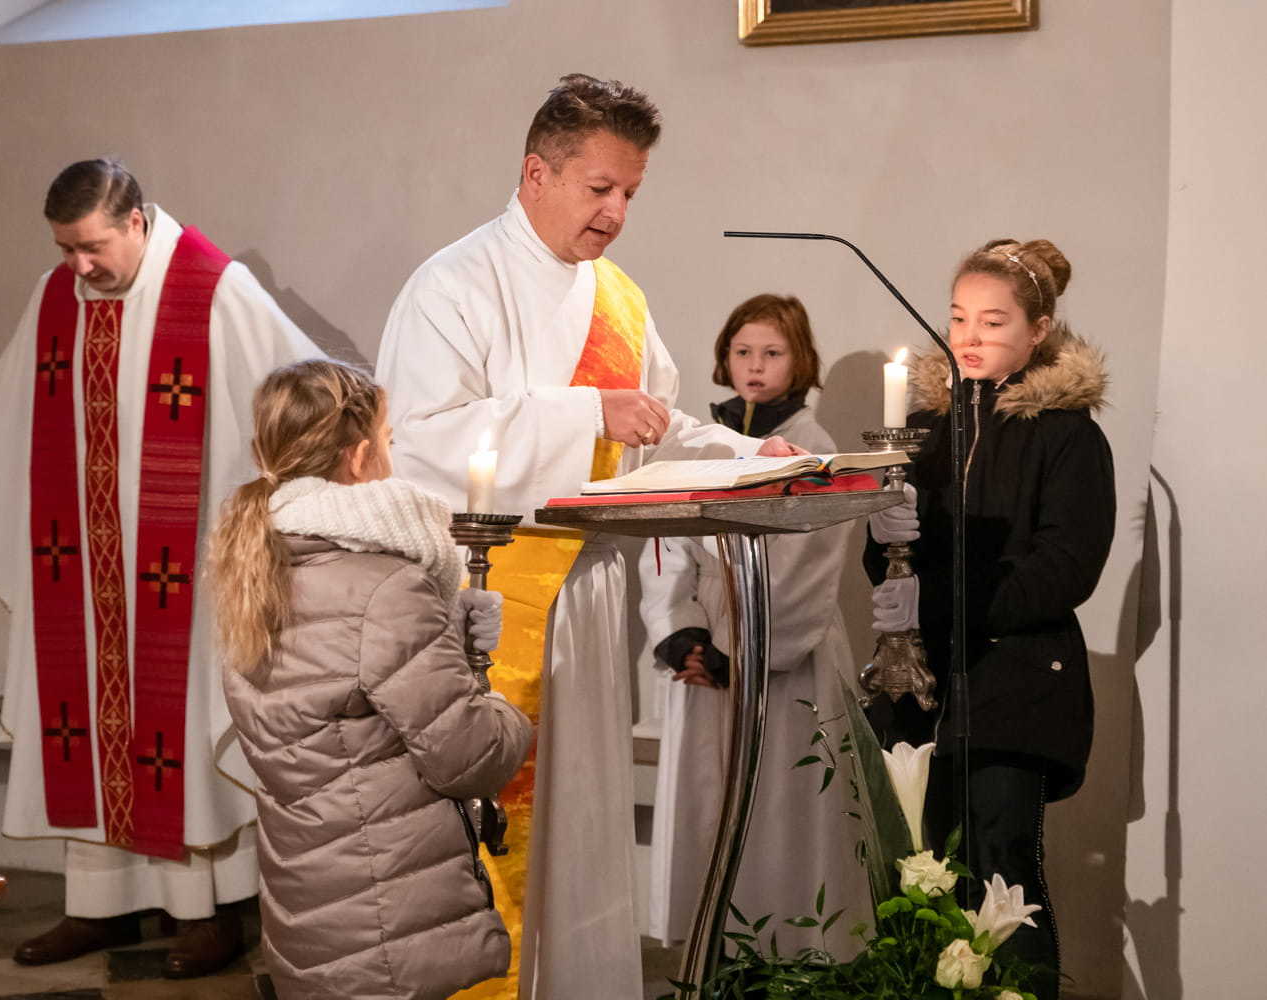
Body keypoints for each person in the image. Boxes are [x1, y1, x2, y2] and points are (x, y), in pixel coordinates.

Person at [375, 74, 798, 1000]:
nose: (616, 213)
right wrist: (583, 413)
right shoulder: (453, 283)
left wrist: (749, 452)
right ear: (537, 173)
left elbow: (653, 424)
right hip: (485, 597)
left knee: (580, 831)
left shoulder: (620, 300)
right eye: (600, 188)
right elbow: (416, 439)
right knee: (493, 834)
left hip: (589, 598)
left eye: (631, 193)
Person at [0, 159, 322, 976]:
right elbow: (8, 418)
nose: (79, 266)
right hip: (80, 567)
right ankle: (100, 903)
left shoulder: (212, 290)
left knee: (179, 729)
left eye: (92, 247)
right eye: (65, 249)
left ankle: (208, 909)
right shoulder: (56, 297)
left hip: (181, 573)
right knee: (86, 723)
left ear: (136, 221)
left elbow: (306, 399)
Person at [213, 359, 533, 1000]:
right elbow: (468, 757)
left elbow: (336, 720)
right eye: (388, 439)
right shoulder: (387, 586)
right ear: (360, 457)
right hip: (386, 905)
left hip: (311, 894)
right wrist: (508, 711)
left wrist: (445, 632)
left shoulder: (257, 569)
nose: (392, 455)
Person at [866, 238, 1114, 999]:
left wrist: (938, 601)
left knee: (1002, 872)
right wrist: (885, 548)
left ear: (1038, 332)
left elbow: (1064, 568)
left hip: (1016, 683)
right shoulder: (926, 430)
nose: (969, 337)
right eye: (958, 318)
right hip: (923, 681)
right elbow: (891, 557)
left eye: (993, 322)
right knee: (918, 871)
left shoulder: (1068, 436)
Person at [640, 294, 866, 958]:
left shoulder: (813, 445)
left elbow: (807, 564)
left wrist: (742, 655)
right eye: (743, 352)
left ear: (799, 361)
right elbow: (667, 543)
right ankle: (712, 954)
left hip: (782, 654)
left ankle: (784, 956)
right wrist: (682, 634)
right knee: (707, 806)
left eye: (772, 353)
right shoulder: (700, 442)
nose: (755, 366)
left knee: (781, 809)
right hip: (705, 649)